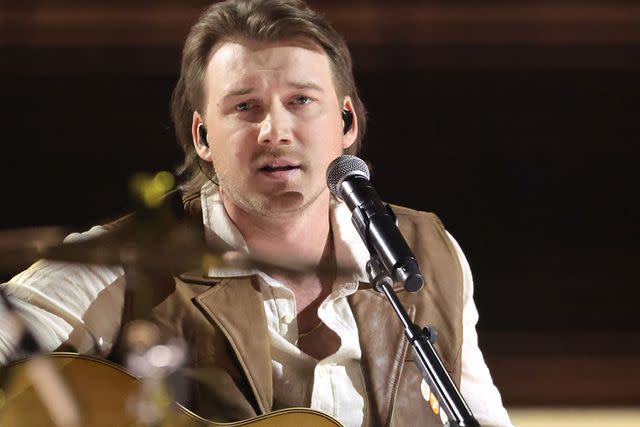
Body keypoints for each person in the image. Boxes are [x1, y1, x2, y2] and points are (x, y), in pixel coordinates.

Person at [0, 1, 513, 426]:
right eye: (245, 107)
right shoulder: (132, 259)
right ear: (202, 136)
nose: (276, 131)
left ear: (347, 121)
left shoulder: (426, 254)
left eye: (302, 101)